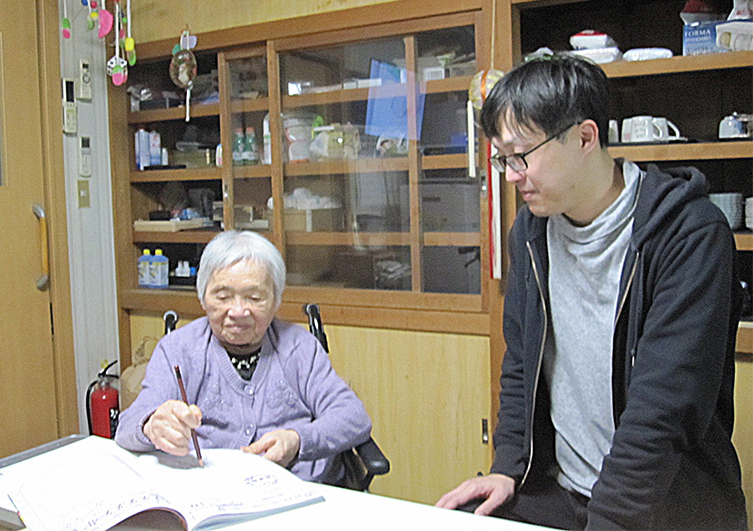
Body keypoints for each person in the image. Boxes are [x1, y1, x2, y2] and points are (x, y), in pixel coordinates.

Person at [435, 54, 747, 529]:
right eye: (503, 158)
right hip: (565, 491)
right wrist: (508, 467)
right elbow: (521, 364)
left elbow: (663, 412)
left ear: (585, 137)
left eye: (521, 155)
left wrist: (610, 520)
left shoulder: (689, 234)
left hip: (662, 505)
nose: (511, 175)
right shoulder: (532, 233)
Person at [115, 230, 372, 484]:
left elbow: (353, 417)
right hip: (211, 491)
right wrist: (152, 425)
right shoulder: (178, 349)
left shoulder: (298, 347)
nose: (238, 312)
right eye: (223, 297)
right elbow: (126, 427)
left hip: (299, 488)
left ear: (276, 300)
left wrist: (297, 440)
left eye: (254, 297)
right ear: (203, 298)